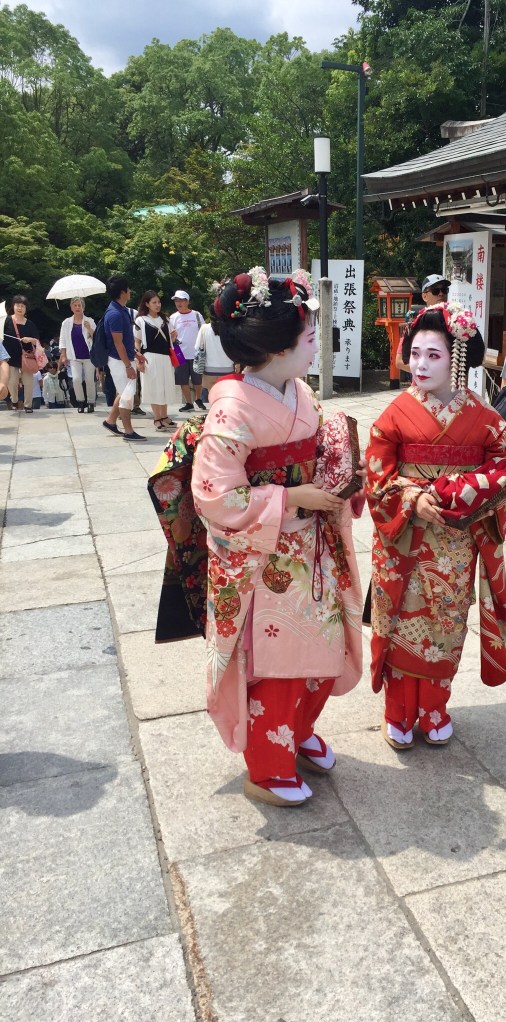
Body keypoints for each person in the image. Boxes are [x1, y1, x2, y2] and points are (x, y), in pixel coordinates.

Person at [187, 267, 364, 807]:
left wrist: (342, 478)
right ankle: (266, 766)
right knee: (277, 663)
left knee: (323, 648)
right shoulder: (232, 409)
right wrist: (291, 499)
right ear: (280, 347)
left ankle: (298, 730)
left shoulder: (298, 392)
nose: (315, 346)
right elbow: (216, 496)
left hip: (312, 548)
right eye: (310, 337)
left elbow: (320, 446)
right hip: (264, 560)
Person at [365, 302, 506, 750]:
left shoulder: (485, 420)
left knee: (445, 623)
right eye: (415, 353)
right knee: (400, 618)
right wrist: (413, 497)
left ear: (457, 358)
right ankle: (397, 711)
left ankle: (434, 709)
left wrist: (459, 493)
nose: (419, 364)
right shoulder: (396, 413)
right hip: (405, 538)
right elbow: (377, 473)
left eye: (433, 355)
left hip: (455, 541)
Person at [101, 274, 146, 441]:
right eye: (128, 289)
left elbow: (125, 341)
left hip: (125, 358)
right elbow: (118, 343)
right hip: (119, 361)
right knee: (127, 396)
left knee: (123, 392)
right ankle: (128, 431)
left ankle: (110, 421)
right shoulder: (115, 314)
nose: (130, 291)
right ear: (122, 292)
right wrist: (128, 366)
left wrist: (135, 353)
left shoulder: (121, 310)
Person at [133, 290, 177, 431]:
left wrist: (174, 337)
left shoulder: (165, 319)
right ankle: (157, 418)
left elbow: (171, 339)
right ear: (147, 304)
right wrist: (138, 358)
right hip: (150, 357)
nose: (157, 305)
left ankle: (164, 416)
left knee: (165, 387)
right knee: (154, 387)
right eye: (154, 302)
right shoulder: (141, 320)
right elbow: (137, 341)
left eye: (158, 302)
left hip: (165, 357)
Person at [394, 274, 450, 374]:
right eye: (435, 291)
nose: (441, 294)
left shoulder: (456, 322)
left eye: (444, 290)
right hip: (422, 385)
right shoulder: (415, 324)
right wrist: (431, 372)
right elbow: (400, 362)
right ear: (424, 296)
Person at [169, 289, 206, 412]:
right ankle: (188, 402)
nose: (178, 303)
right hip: (179, 351)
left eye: (181, 300)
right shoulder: (173, 317)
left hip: (196, 351)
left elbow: (203, 331)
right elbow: (169, 335)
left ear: (187, 302)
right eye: (176, 301)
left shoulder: (196, 315)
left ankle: (198, 399)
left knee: (197, 378)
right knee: (182, 378)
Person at [2, 295, 40, 411]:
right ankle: (14, 400)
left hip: (27, 357)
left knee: (28, 383)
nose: (20, 308)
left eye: (22, 306)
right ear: (13, 306)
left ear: (25, 308)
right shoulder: (6, 321)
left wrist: (29, 339)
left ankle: (28, 405)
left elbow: (37, 341)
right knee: (12, 382)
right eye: (17, 305)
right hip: (10, 358)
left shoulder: (30, 324)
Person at [59, 298, 97, 412]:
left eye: (79, 305)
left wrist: (89, 328)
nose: (77, 307)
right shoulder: (66, 323)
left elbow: (97, 337)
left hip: (89, 356)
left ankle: (90, 402)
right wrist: (63, 355)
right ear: (71, 308)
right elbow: (63, 340)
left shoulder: (89, 320)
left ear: (83, 307)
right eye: (75, 305)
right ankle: (80, 402)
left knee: (90, 379)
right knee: (76, 379)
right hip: (74, 356)